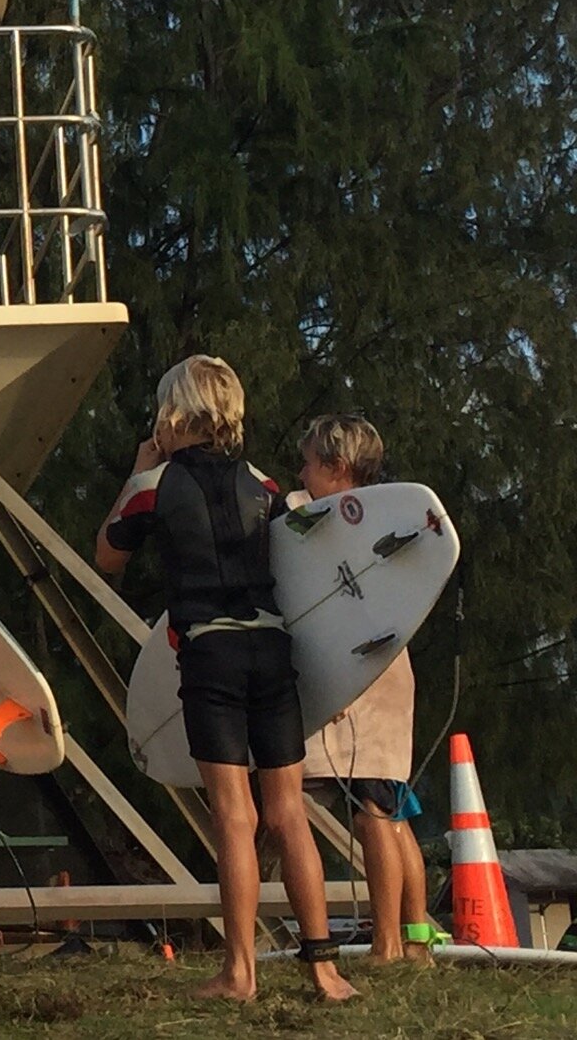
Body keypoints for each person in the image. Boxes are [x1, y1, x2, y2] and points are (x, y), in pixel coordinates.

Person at [96, 355, 358, 1003]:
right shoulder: (265, 485)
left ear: (172, 414)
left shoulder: (153, 485)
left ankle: (240, 972)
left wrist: (135, 470)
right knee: (288, 812)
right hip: (271, 646)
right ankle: (324, 970)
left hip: (210, 652)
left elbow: (107, 557)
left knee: (235, 817)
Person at [296, 414, 443, 963]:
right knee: (389, 809)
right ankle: (416, 940)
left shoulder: (355, 525)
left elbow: (355, 610)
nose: (302, 472)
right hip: (375, 667)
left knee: (375, 812)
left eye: (310, 463)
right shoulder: (375, 519)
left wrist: (341, 686)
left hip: (366, 671)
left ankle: (389, 941)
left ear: (336, 469)